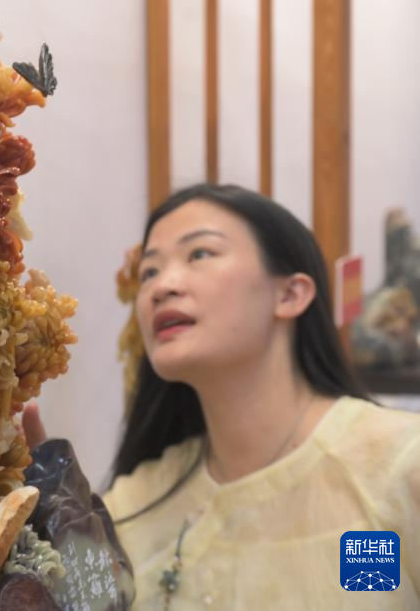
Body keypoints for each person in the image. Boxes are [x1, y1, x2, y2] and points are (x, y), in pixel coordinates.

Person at [23, 183, 420, 610]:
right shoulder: (135, 499)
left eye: (199, 254)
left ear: (290, 294)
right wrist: (42, 513)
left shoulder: (396, 464)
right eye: (149, 272)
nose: (161, 287)